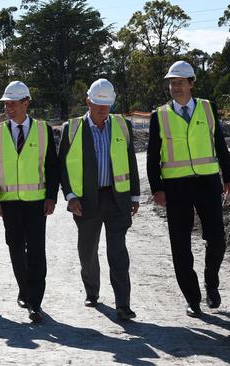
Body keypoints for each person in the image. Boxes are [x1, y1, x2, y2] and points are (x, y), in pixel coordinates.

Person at [147, 61, 230, 318]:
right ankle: (192, 298)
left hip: (208, 183)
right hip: (176, 187)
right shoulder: (160, 116)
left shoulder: (208, 109)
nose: (175, 87)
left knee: (217, 239)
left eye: (179, 82)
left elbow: (219, 143)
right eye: (172, 83)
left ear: (191, 83)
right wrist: (157, 188)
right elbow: (152, 156)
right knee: (180, 245)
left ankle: (211, 281)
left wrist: (229, 176)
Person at [59, 79, 140, 321]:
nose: (103, 109)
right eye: (98, 104)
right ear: (88, 102)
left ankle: (123, 305)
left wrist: (134, 195)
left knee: (118, 253)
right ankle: (92, 292)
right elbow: (62, 166)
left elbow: (131, 162)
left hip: (116, 200)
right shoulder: (71, 129)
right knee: (88, 251)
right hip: (86, 201)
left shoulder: (122, 126)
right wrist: (70, 196)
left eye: (107, 104)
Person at [0, 81, 59, 323]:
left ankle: (35, 302)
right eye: (6, 104)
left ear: (26, 103)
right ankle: (24, 290)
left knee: (37, 251)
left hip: (37, 202)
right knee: (16, 248)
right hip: (9, 204)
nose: (9, 108)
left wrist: (51, 197)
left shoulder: (43, 130)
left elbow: (51, 165)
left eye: (13, 104)